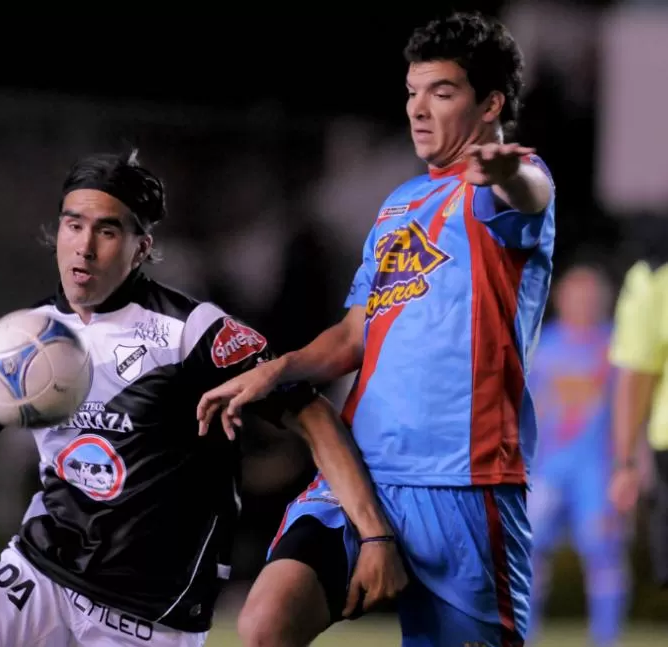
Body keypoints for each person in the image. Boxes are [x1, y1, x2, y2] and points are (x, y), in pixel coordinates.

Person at [0, 150, 406, 647]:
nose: (84, 246)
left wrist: (374, 535)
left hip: (149, 610)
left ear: (143, 247)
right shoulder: (20, 339)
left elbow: (312, 413)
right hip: (42, 569)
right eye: (74, 225)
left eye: (107, 230)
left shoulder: (194, 334)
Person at [197, 12, 555, 647]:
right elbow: (353, 336)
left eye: (440, 92)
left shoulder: (506, 184)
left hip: (466, 490)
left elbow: (526, 193)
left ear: (490, 102)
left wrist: (503, 171)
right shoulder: (398, 206)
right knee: (261, 627)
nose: (417, 108)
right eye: (412, 92)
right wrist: (275, 369)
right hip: (364, 475)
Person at [525, 264, 626, 647]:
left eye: (591, 296)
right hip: (547, 468)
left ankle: (606, 638)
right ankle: (525, 634)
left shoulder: (616, 346)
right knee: (529, 553)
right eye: (575, 295)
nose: (583, 303)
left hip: (598, 470)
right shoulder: (541, 344)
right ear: (560, 298)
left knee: (603, 553)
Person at [608, 221, 668, 590]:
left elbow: (636, 375)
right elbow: (636, 375)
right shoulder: (655, 273)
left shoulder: (655, 272)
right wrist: (626, 462)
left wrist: (626, 462)